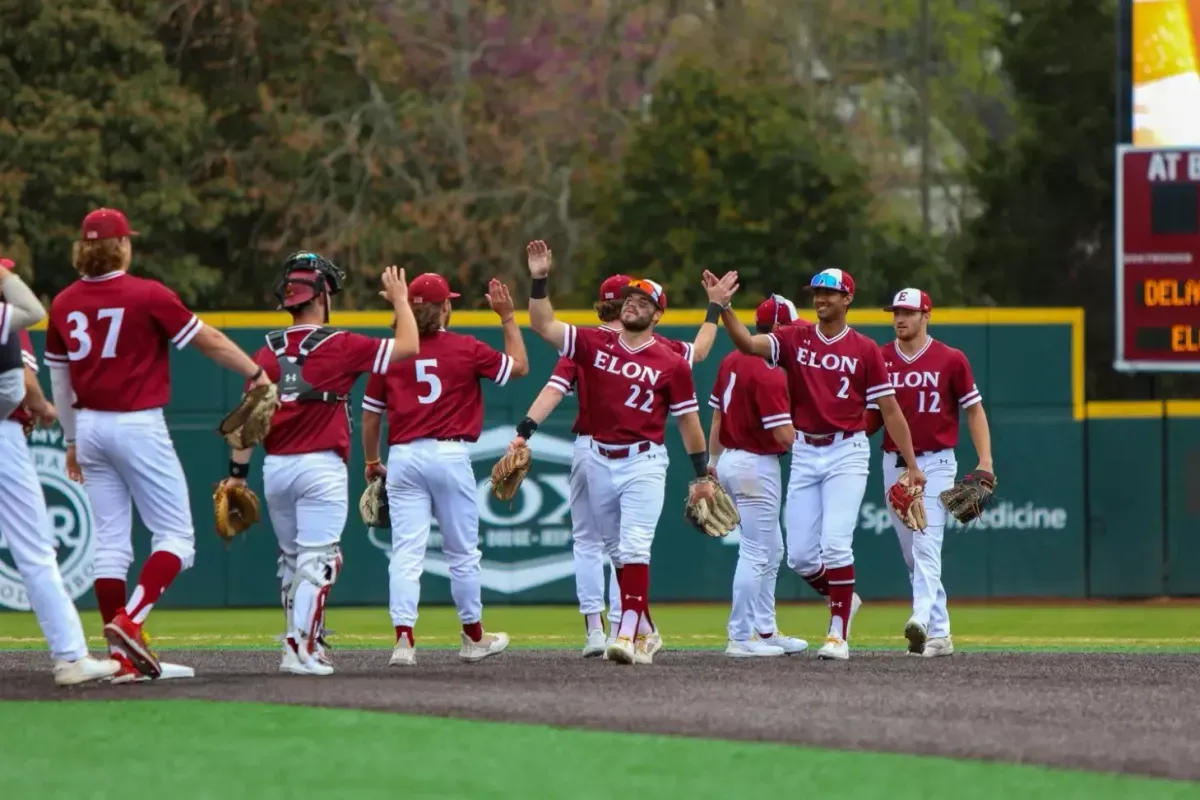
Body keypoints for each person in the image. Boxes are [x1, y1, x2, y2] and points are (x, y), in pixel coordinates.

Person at [44, 207, 273, 681]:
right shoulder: (145, 293)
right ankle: (132, 621)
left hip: (87, 426)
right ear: (122, 246)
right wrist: (254, 371)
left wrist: (69, 439)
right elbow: (205, 339)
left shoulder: (64, 303)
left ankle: (121, 658)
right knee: (177, 539)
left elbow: (60, 381)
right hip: (136, 424)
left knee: (110, 543)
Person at [524, 240, 723, 665]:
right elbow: (542, 324)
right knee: (616, 550)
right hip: (597, 457)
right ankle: (645, 633)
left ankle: (626, 634)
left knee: (634, 547)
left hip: (643, 460)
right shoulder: (591, 342)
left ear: (658, 313)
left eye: (643, 300)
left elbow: (689, 421)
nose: (633, 304)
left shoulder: (672, 360)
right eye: (629, 298)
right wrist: (540, 279)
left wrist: (702, 474)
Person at [713, 267, 926, 661]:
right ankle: (846, 600)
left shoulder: (865, 349)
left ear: (848, 299)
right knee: (800, 555)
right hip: (807, 451)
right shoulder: (795, 337)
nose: (821, 298)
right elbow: (745, 343)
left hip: (847, 449)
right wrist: (723, 307)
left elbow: (891, 410)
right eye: (817, 293)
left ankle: (837, 634)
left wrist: (911, 464)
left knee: (835, 542)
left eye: (830, 293)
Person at [221, 254, 419, 676]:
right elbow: (409, 347)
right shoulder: (340, 344)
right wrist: (401, 301)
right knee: (321, 561)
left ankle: (300, 646)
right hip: (320, 468)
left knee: (293, 562)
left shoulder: (266, 351)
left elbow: (248, 423)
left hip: (276, 468)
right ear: (323, 295)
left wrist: (236, 475)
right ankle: (300, 648)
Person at [362, 273, 528, 667]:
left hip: (403, 456)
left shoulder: (390, 353)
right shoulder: (466, 348)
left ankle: (403, 642)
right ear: (445, 308)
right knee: (462, 553)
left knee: (405, 553)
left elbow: (370, 419)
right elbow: (519, 366)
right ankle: (473, 638)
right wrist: (506, 317)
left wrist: (372, 461)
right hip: (449, 455)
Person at [0, 257, 119, 686]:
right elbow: (33, 315)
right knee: (34, 550)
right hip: (2, 434)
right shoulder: (6, 315)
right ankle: (70, 656)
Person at [864, 288, 993, 658]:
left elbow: (974, 411)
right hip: (895, 464)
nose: (900, 318)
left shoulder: (951, 359)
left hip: (936, 462)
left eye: (907, 312)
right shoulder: (881, 358)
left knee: (926, 540)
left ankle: (920, 618)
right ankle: (940, 634)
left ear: (926, 316)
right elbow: (873, 417)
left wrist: (985, 461)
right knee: (912, 553)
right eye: (895, 312)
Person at [708, 295, 808, 657]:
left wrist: (712, 464)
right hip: (756, 465)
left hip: (732, 460)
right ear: (780, 329)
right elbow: (783, 435)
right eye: (793, 330)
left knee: (773, 549)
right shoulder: (768, 369)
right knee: (755, 551)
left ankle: (764, 630)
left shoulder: (732, 358)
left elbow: (718, 417)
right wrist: (819, 450)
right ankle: (739, 636)